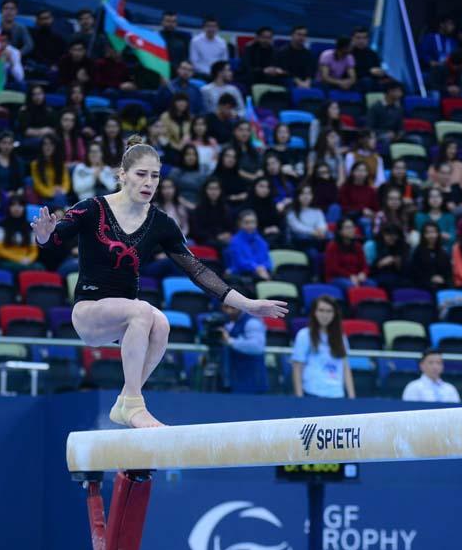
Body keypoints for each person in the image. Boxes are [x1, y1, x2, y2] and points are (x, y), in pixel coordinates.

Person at [32, 136, 287, 426]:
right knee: (141, 310)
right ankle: (134, 403)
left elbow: (198, 271)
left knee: (162, 324)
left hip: (124, 317)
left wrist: (248, 304)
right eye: (141, 174)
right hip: (89, 312)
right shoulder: (93, 208)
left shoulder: (160, 223)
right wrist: (43, 235)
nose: (149, 182)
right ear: (122, 175)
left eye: (155, 175)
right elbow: (53, 238)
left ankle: (126, 400)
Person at [291, 294, 354, 398]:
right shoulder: (304, 335)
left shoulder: (341, 337)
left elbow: (345, 367)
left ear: (335, 314)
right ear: (314, 312)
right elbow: (297, 367)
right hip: (312, 393)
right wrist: (299, 397)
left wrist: (352, 397)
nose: (325, 315)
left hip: (337, 394)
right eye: (321, 310)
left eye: (329, 311)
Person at [220, 301, 269, 393]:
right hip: (232, 380)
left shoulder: (252, 322)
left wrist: (230, 341)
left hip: (252, 382)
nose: (228, 311)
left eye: (232, 307)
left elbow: (257, 347)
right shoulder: (224, 322)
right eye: (225, 307)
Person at [0, 196, 40, 271]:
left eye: (20, 205)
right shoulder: (0, 226)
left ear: (24, 208)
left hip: (26, 260)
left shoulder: (30, 227)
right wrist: (18, 259)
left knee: (39, 267)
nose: (17, 208)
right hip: (7, 261)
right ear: (8, 208)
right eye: (13, 205)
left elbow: (34, 251)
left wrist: (29, 260)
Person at [324, 216, 370, 289]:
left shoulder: (358, 246)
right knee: (351, 285)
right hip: (336, 277)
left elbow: (364, 266)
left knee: (372, 284)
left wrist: (363, 274)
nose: (351, 230)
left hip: (356, 277)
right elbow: (333, 268)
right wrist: (350, 276)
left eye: (352, 227)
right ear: (340, 231)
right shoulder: (332, 246)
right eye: (348, 228)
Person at [189, 177, 233, 247]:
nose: (213, 192)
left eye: (216, 189)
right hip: (206, 241)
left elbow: (231, 227)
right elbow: (197, 232)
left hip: (224, 239)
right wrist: (216, 236)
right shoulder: (198, 209)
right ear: (205, 190)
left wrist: (228, 234)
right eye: (210, 189)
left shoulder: (225, 208)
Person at [419, 16, 458, 92]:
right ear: (442, 25)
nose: (452, 27)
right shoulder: (430, 38)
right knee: (435, 94)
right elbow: (422, 54)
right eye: (450, 24)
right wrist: (431, 62)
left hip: (449, 74)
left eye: (453, 25)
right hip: (433, 72)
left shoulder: (453, 42)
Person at [408, 221, 450, 291]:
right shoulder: (417, 252)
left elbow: (448, 272)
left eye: (434, 232)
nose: (431, 235)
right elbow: (415, 273)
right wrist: (430, 278)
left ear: (438, 234)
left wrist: (443, 279)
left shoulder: (443, 252)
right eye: (428, 233)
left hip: (442, 285)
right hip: (423, 286)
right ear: (423, 235)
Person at [366, 222, 407, 290]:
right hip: (379, 275)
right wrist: (380, 264)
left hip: (397, 276)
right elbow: (368, 270)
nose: (392, 237)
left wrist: (399, 264)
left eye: (394, 235)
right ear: (383, 235)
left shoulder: (401, 246)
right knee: (388, 282)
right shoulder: (374, 245)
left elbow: (404, 270)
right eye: (388, 235)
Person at [31, 135, 71, 203]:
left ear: (55, 147)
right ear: (41, 147)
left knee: (60, 198)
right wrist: (51, 193)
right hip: (44, 196)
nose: (48, 147)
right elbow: (38, 185)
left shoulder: (61, 163)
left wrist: (62, 191)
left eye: (51, 144)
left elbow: (66, 181)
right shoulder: (35, 164)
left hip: (60, 195)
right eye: (45, 144)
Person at [286, 182, 327, 246]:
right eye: (303, 194)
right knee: (304, 238)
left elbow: (322, 223)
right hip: (302, 240)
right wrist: (312, 232)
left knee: (330, 236)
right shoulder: (291, 211)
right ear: (298, 196)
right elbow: (297, 227)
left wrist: (321, 230)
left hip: (317, 236)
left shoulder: (317, 210)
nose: (306, 196)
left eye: (308, 194)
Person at [275, 25, 316, 89]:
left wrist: (308, 82)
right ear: (292, 35)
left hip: (305, 83)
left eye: (304, 35)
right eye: (299, 34)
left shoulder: (309, 54)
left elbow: (311, 72)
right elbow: (284, 71)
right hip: (288, 81)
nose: (302, 37)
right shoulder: (282, 52)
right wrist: (297, 81)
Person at [350, 26, 387, 91]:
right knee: (367, 82)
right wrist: (370, 72)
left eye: (364, 38)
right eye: (358, 38)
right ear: (352, 39)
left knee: (394, 84)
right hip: (355, 82)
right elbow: (348, 73)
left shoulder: (372, 54)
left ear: (368, 39)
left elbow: (378, 68)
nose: (361, 41)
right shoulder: (348, 53)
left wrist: (381, 72)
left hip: (373, 81)